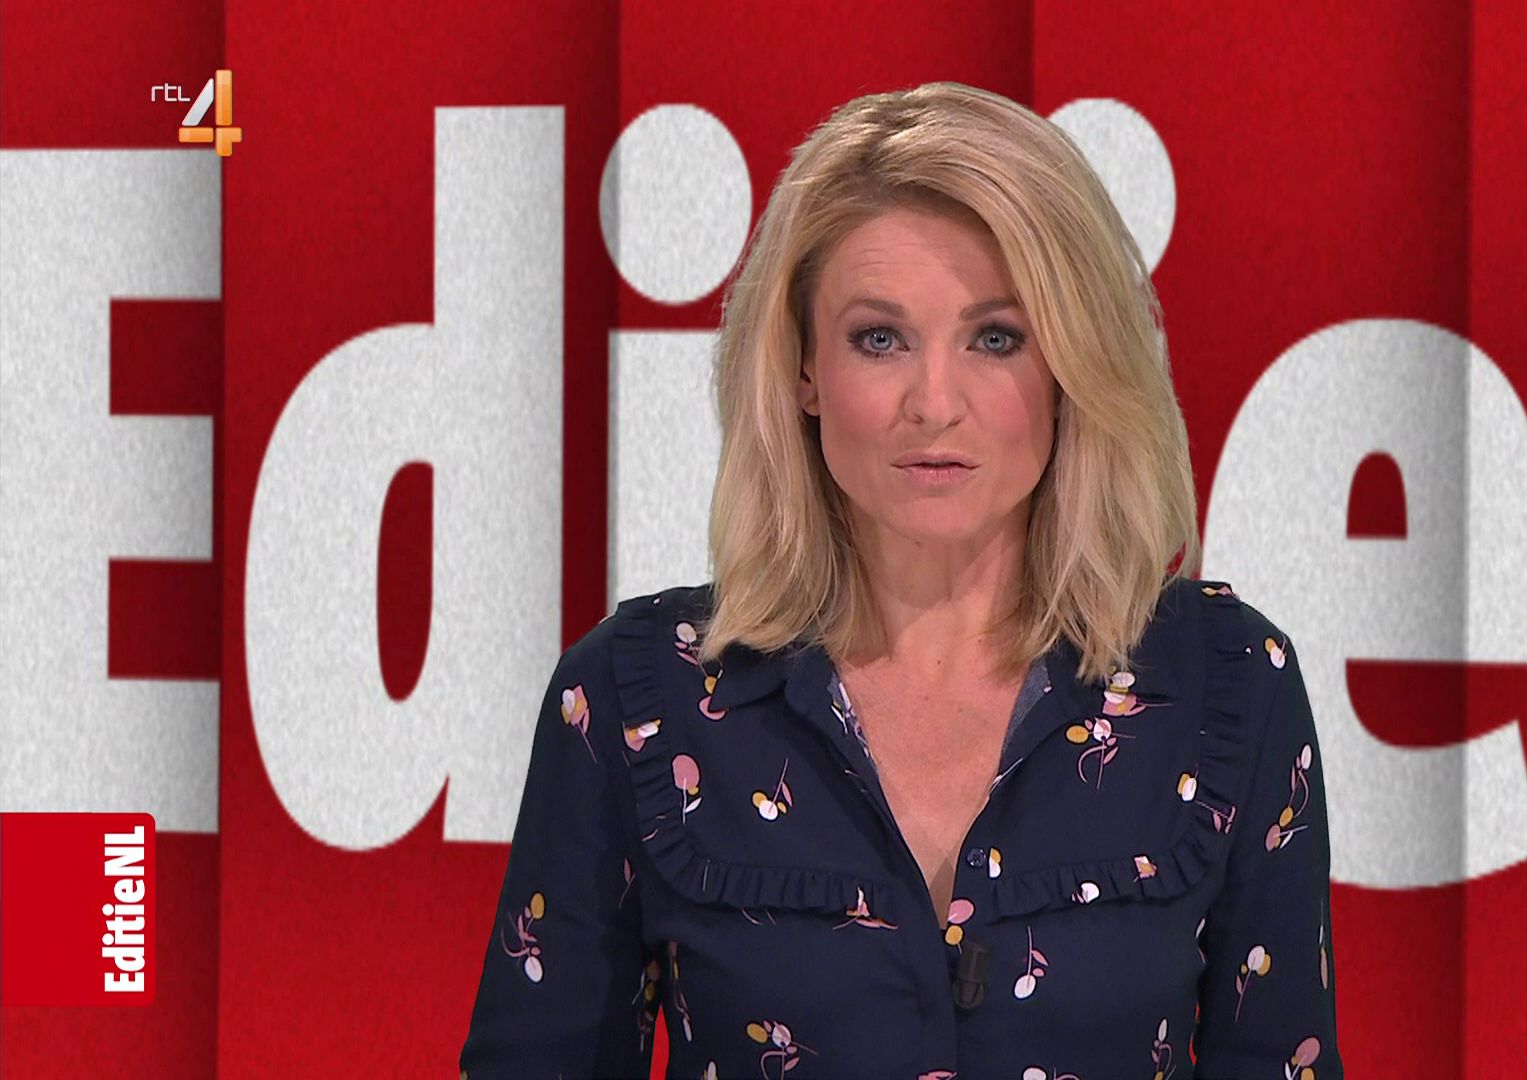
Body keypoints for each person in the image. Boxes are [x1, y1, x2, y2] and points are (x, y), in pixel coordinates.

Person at [459, 80, 1341, 1080]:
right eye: (879, 338)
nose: (934, 403)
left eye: (995, 338)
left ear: (1072, 365)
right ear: (803, 369)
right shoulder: (633, 697)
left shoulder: (1229, 682)